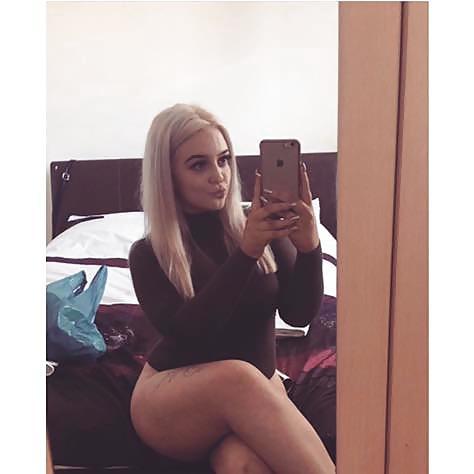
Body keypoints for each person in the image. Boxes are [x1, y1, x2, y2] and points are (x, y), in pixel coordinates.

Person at [128, 103, 335, 474]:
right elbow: (190, 334)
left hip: (252, 390)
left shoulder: (258, 225)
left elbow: (298, 314)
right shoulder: (147, 254)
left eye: (223, 160)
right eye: (199, 165)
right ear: (168, 175)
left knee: (243, 464)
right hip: (172, 398)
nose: (219, 176)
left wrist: (309, 249)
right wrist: (246, 253)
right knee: (238, 376)